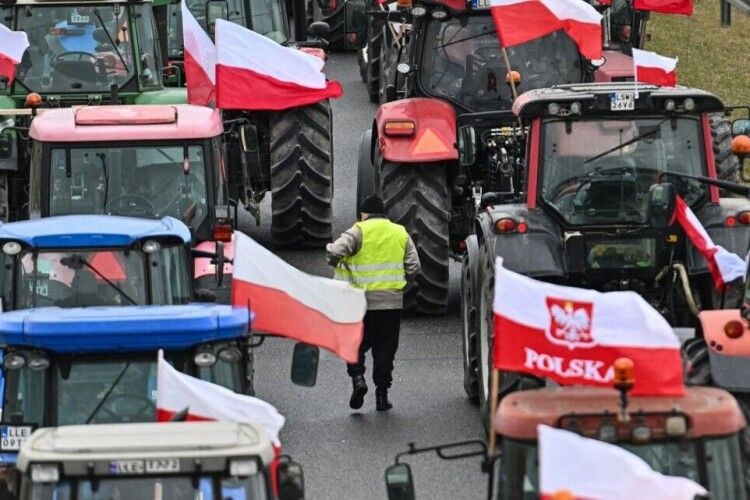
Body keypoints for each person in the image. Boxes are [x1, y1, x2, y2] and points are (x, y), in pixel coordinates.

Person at [326, 195, 420, 411]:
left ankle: (358, 379)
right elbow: (414, 266)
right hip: (391, 304)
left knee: (354, 344)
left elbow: (334, 252)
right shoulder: (400, 232)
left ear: (364, 214)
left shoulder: (359, 230)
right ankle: (382, 396)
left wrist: (334, 261)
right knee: (385, 349)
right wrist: (401, 288)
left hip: (360, 304)